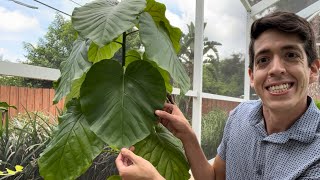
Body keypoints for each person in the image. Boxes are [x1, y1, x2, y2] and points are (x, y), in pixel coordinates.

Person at [115, 11, 320, 179]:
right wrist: (188, 136)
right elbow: (214, 178)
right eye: (263, 60)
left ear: (313, 69)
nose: (275, 69)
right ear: (251, 75)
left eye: (291, 55)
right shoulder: (240, 117)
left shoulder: (315, 157)